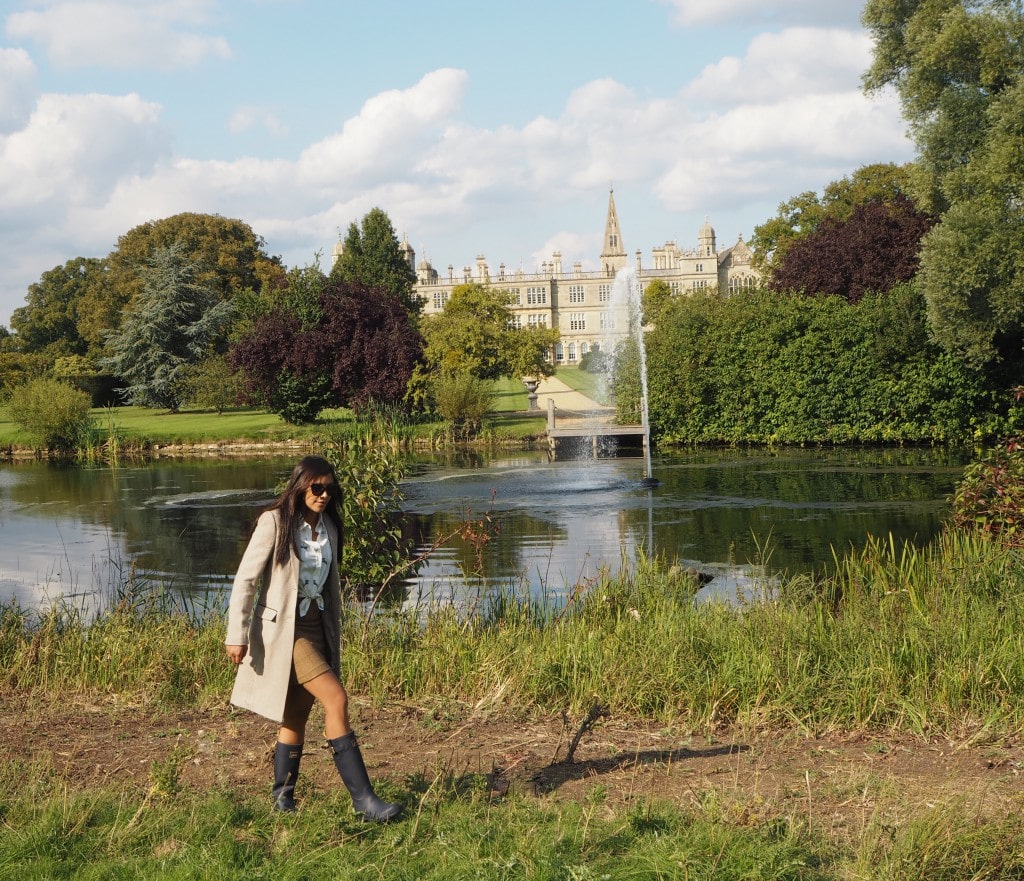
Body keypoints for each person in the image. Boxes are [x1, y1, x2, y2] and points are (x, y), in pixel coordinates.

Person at [224, 455, 402, 822]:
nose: (322, 495)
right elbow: (246, 580)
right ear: (300, 486)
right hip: (285, 634)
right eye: (316, 488)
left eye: (329, 489)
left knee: (295, 715)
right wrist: (236, 634)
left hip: (318, 628)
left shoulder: (330, 527)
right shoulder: (274, 523)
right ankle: (365, 802)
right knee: (337, 699)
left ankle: (282, 800)